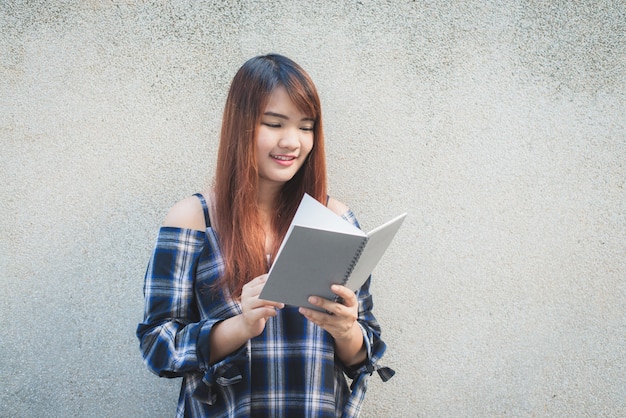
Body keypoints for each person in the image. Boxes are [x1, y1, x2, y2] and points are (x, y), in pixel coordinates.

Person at [136, 54, 393, 417]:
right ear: (240, 125)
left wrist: (346, 328)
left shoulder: (333, 217)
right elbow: (156, 346)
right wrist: (239, 326)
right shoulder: (194, 219)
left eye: (306, 127)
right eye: (274, 123)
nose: (293, 142)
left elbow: (365, 351)